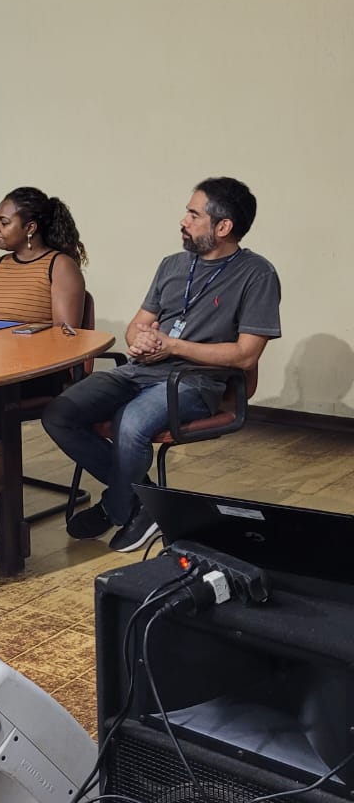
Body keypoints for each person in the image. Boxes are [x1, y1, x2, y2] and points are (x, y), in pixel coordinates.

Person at [42, 177, 281, 554]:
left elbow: (246, 355)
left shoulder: (257, 274)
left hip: (196, 382)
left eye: (193, 215)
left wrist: (173, 345)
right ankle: (145, 502)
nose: (183, 221)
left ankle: (117, 507)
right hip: (139, 370)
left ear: (223, 227)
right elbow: (138, 324)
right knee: (59, 413)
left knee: (131, 422)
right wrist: (141, 339)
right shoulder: (172, 265)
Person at [0, 187, 87, 397]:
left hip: (33, 373)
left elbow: (65, 337)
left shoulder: (59, 266)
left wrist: (8, 348)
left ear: (30, 227)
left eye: (4, 222)